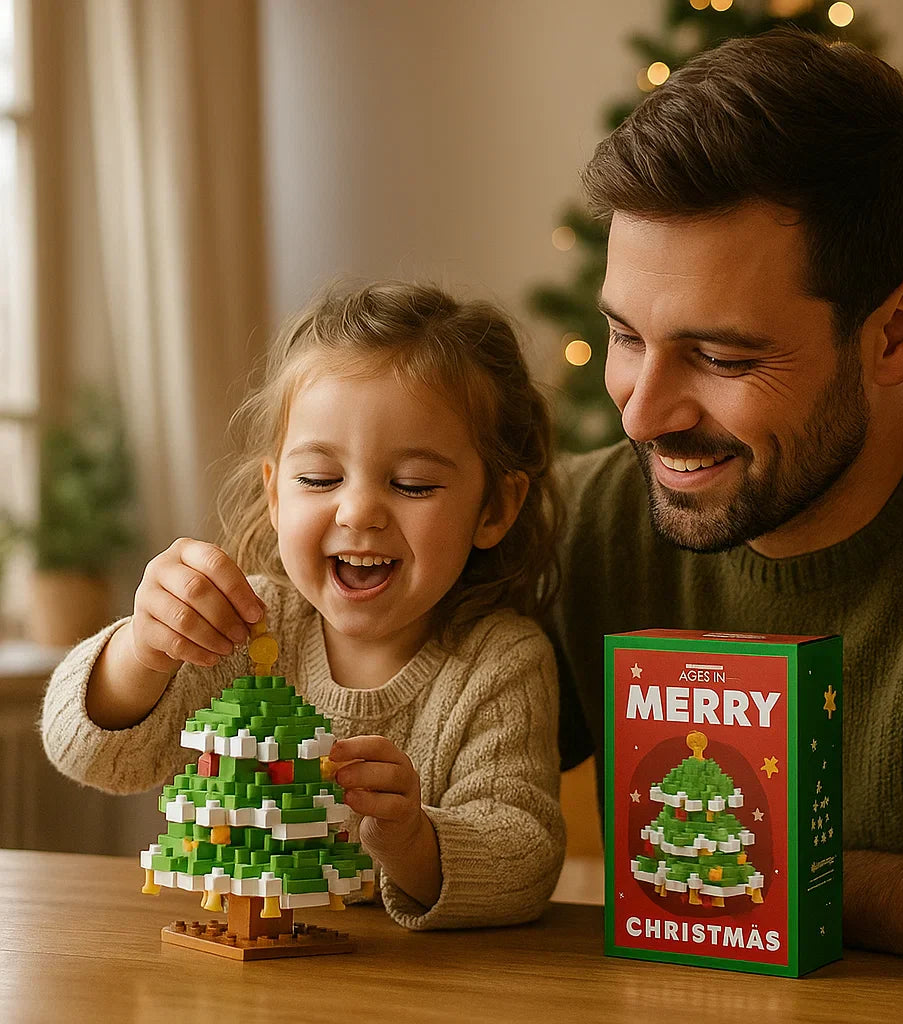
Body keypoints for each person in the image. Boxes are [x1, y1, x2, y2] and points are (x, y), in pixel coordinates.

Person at [547, 28, 903, 983]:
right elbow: (362, 761)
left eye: (723, 358)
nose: (641, 414)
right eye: (624, 336)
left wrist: (811, 886)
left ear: (897, 331)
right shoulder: (579, 524)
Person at [42, 281, 566, 930]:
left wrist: (411, 841)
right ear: (274, 494)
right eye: (319, 479)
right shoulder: (249, 626)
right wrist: (142, 649)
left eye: (412, 484)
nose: (359, 511)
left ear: (494, 508)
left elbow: (525, 859)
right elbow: (91, 755)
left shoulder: (500, 664)